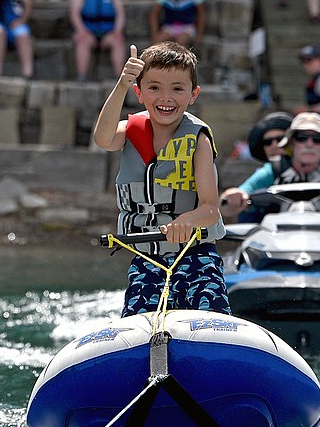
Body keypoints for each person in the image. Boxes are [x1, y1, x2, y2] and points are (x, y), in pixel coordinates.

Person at [92, 42, 230, 317]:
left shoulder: (198, 139)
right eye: (154, 88)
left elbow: (210, 208)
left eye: (177, 89)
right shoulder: (131, 131)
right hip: (147, 258)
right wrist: (122, 84)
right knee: (139, 319)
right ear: (139, 93)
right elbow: (103, 138)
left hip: (197, 255)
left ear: (193, 95)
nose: (166, 98)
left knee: (209, 313)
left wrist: (186, 221)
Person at [220, 112, 320, 221]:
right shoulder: (274, 169)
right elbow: (234, 200)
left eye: (317, 138)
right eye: (302, 137)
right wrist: (233, 196)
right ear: (291, 143)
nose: (309, 144)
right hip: (278, 244)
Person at [70, 0, 127, 81]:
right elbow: (74, 13)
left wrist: (117, 31)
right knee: (82, 41)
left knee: (118, 41)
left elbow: (120, 15)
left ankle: (120, 78)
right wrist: (81, 30)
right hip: (88, 31)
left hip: (108, 32)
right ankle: (81, 76)